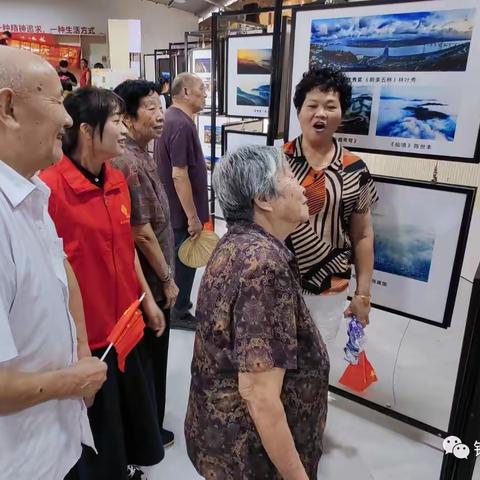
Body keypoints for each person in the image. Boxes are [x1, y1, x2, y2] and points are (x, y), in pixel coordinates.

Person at [40, 87, 166, 480]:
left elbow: (127, 246)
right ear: (87, 130)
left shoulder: (115, 178)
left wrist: (148, 300)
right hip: (87, 339)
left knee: (129, 422)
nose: (124, 128)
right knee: (97, 437)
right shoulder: (50, 188)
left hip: (127, 328)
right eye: (116, 120)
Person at [185, 145, 329, 480]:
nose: (302, 185)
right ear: (264, 198)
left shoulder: (236, 243)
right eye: (289, 175)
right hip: (250, 457)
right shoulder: (264, 266)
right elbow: (259, 395)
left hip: (217, 437)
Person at [0, 47, 107, 480]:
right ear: (8, 108)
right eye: (54, 101)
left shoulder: (30, 193)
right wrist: (72, 381)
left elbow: (59, 265)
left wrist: (81, 350)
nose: (67, 120)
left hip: (58, 437)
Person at [284, 67, 377, 354]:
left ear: (342, 113)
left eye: (330, 106)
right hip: (278, 282)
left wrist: (363, 294)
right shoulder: (275, 162)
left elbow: (362, 235)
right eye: (312, 105)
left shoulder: (355, 168)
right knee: (275, 361)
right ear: (299, 110)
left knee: (316, 359)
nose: (320, 114)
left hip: (330, 288)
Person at [111, 79, 178, 448]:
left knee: (153, 356)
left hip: (152, 277)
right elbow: (142, 232)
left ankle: (151, 424)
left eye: (160, 105)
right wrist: (167, 279)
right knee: (151, 355)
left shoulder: (142, 154)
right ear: (127, 116)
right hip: (149, 282)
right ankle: (149, 431)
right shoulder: (129, 162)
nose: (160, 115)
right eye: (150, 108)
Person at [154, 73, 209, 329]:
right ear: (186, 92)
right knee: (185, 261)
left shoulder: (172, 120)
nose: (205, 93)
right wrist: (193, 216)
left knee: (180, 259)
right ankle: (180, 311)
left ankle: (180, 306)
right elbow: (179, 174)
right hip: (181, 212)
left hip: (174, 209)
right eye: (202, 88)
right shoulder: (181, 124)